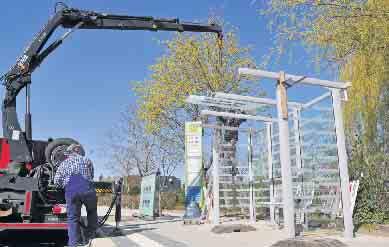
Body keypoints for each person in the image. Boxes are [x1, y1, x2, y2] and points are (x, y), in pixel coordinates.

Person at [54, 144, 97, 247]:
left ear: (69, 152)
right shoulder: (87, 160)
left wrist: (64, 185)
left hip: (72, 189)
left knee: (73, 218)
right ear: (79, 152)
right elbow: (91, 175)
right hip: (87, 187)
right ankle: (90, 237)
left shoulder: (64, 163)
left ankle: (73, 243)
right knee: (91, 212)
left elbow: (56, 181)